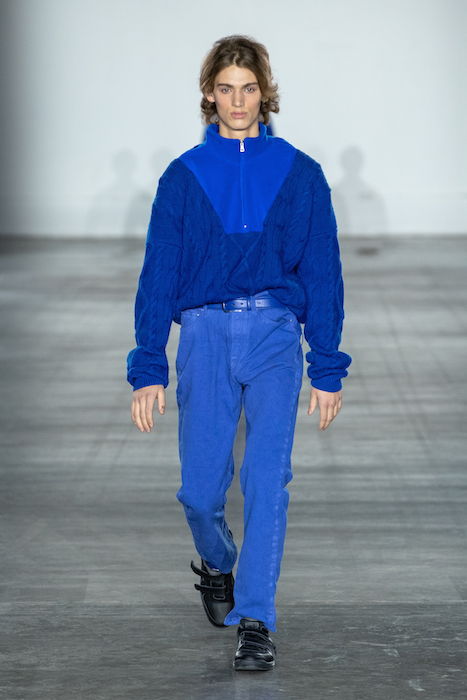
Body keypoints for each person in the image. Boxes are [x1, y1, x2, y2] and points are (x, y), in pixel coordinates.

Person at [127, 35, 351, 671]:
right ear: (209, 93)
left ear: (264, 92)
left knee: (266, 480)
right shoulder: (183, 177)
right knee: (201, 493)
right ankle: (218, 561)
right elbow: (159, 273)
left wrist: (327, 365)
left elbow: (323, 272)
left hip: (275, 335)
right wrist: (149, 366)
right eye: (226, 88)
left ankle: (255, 620)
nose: (238, 101)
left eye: (248, 88)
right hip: (202, 337)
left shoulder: (301, 173)